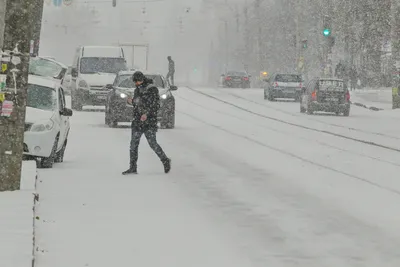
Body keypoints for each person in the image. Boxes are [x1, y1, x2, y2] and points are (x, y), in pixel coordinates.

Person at [122, 71, 171, 175]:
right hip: (137, 121)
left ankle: (165, 160)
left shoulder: (152, 89)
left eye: (138, 81)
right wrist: (131, 102)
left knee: (152, 143)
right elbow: (137, 103)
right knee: (133, 145)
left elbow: (154, 105)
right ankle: (132, 167)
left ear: (142, 79)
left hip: (149, 121)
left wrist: (146, 114)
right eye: (135, 82)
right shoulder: (137, 90)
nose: (136, 83)